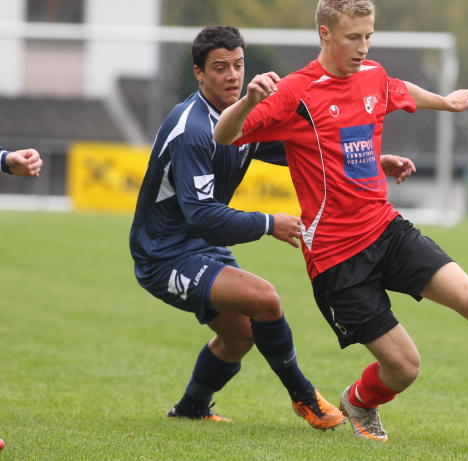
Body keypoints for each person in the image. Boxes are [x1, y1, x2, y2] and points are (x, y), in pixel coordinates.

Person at [214, 0, 468, 442]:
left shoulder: (371, 74)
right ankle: (360, 400)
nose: (364, 47)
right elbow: (224, 135)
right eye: (353, 37)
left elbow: (396, 90)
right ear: (325, 33)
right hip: (336, 259)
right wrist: (248, 101)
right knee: (405, 368)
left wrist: (445, 102)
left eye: (369, 36)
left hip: (386, 230)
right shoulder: (295, 91)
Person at [130, 24, 415, 429]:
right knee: (264, 299)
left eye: (238, 65)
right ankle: (305, 398)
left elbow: (299, 147)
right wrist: (268, 223)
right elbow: (201, 215)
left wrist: (370, 160)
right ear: (199, 74)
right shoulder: (192, 129)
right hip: (164, 254)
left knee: (239, 337)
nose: (232, 76)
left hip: (199, 246)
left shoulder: (238, 118)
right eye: (219, 68)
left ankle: (191, 407)